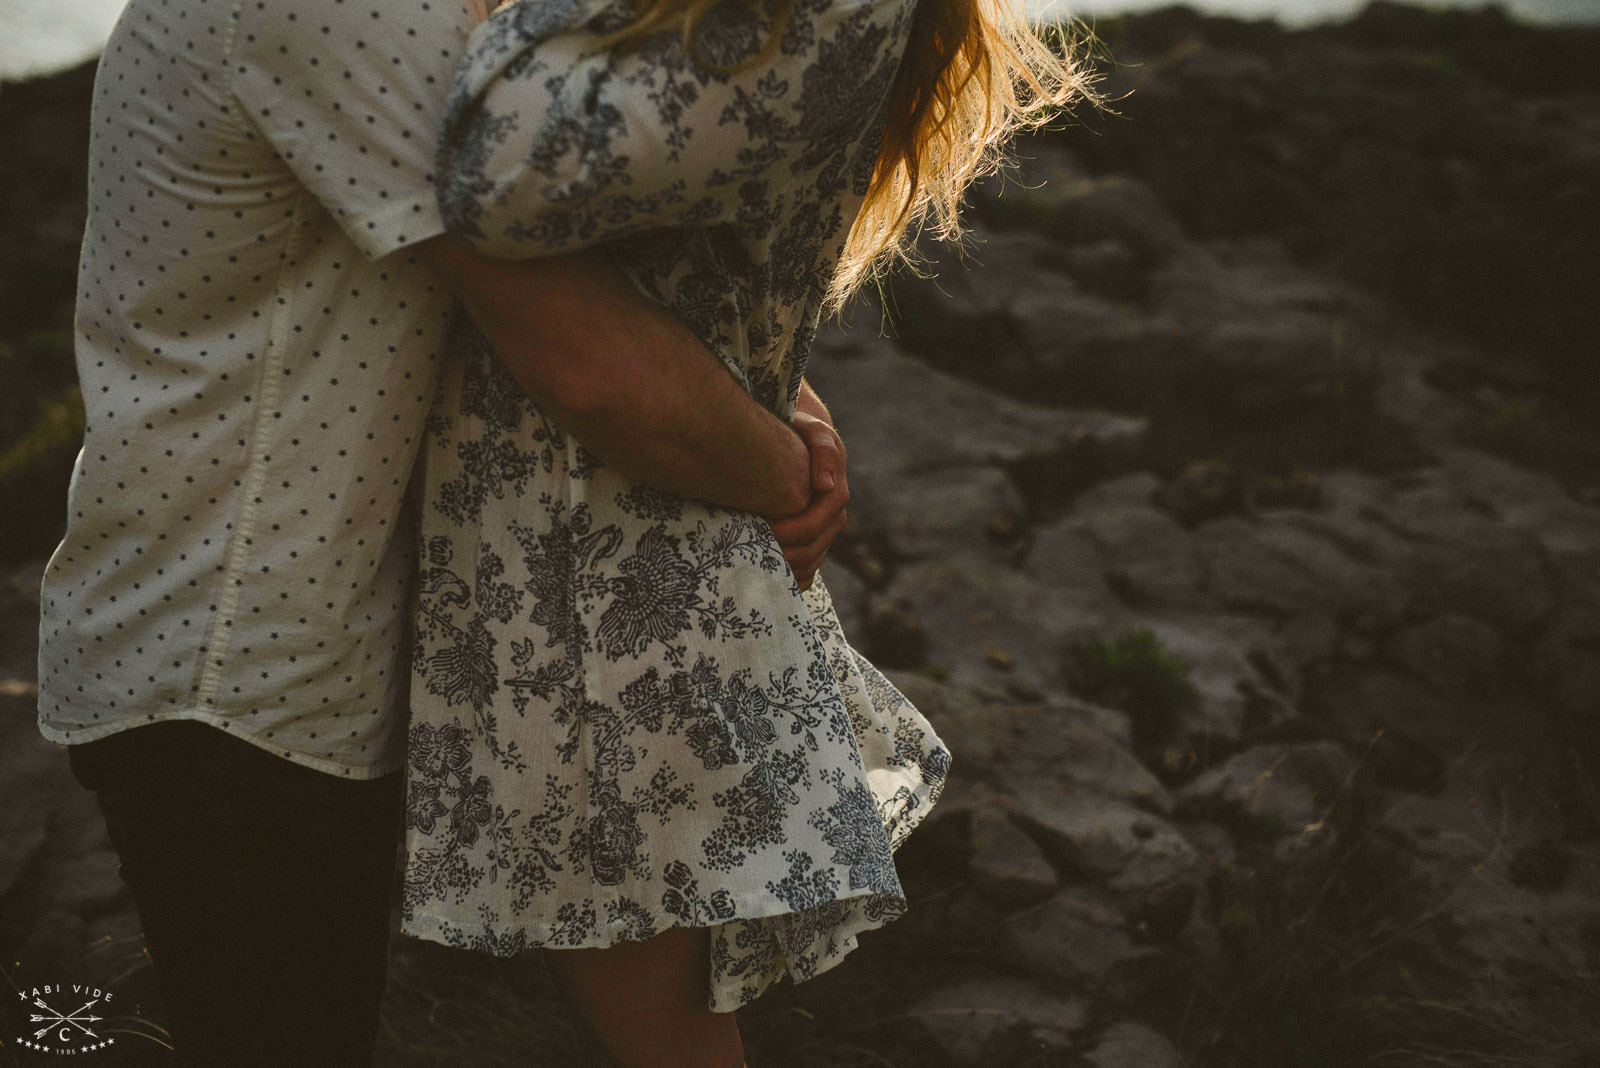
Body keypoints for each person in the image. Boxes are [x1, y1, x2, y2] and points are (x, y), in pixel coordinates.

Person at [34, 0, 853, 1062]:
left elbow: (604, 265)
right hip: (228, 667)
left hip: (326, 649)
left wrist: (784, 406)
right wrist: (790, 472)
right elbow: (584, 355)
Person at [401, 0, 1096, 1062]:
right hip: (546, 566)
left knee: (660, 1038)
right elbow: (676, 255)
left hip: (601, 592)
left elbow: (496, 172)